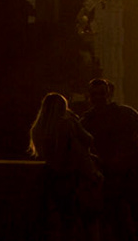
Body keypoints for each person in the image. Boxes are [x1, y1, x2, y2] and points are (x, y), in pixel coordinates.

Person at [82, 77, 138, 241]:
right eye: (96, 94)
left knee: (120, 223)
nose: (99, 98)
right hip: (125, 176)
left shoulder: (87, 121)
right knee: (137, 221)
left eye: (101, 94)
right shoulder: (126, 113)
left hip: (116, 177)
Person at [29, 91, 98, 240]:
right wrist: (76, 122)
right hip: (71, 175)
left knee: (52, 218)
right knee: (76, 218)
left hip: (50, 175)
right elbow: (88, 139)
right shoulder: (66, 124)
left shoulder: (37, 128)